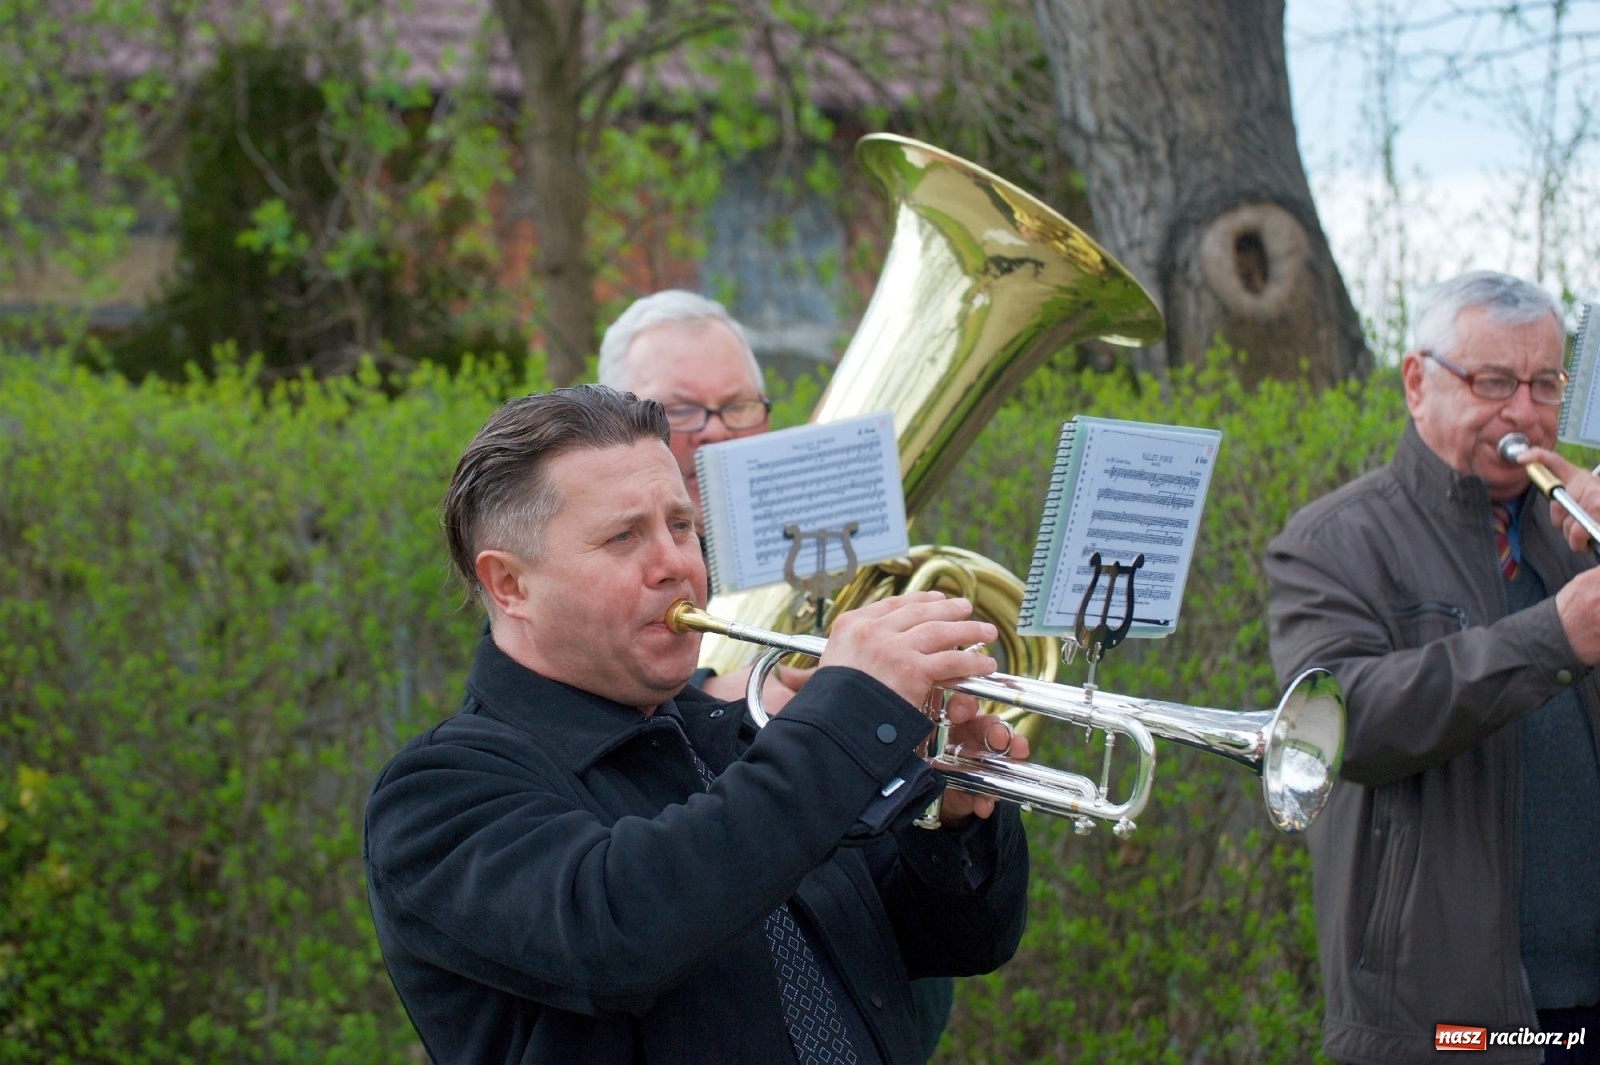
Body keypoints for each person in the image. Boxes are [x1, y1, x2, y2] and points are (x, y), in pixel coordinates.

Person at [363, 385, 1030, 1065]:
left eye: (681, 526)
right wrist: (842, 723)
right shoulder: (435, 796)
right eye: (624, 537)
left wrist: (944, 818)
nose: (677, 565)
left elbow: (960, 944)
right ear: (510, 584)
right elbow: (623, 930)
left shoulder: (746, 738)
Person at [600, 289, 959, 1058]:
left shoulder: (841, 569)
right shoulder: (591, 591)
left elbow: (948, 930)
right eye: (677, 410)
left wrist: (952, 805)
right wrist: (706, 695)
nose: (717, 432)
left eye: (738, 406)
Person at [1265, 270, 1600, 1064]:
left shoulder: (1575, 534)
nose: (1524, 413)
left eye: (1545, 385)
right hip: (1447, 1025)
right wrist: (1551, 635)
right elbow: (1343, 722)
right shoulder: (1332, 543)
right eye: (1494, 382)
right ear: (1417, 382)